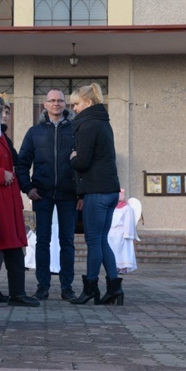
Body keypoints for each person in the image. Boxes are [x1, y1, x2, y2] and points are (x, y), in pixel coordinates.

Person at [16, 89, 78, 301]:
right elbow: (22, 163)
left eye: (60, 100)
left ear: (65, 104)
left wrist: (81, 193)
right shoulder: (34, 132)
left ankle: (67, 287)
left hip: (69, 194)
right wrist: (27, 187)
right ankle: (42, 286)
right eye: (52, 100)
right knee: (42, 241)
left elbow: (84, 162)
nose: (56, 104)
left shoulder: (75, 129)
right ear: (45, 104)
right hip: (41, 194)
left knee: (67, 241)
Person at [68, 83, 122, 306]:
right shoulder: (103, 122)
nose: (74, 109)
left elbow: (82, 162)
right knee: (102, 240)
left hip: (96, 192)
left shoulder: (88, 125)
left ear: (88, 103)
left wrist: (72, 157)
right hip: (109, 191)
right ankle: (114, 289)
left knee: (93, 241)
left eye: (76, 104)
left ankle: (91, 288)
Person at [0, 95, 39, 308]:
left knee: (14, 248)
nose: (6, 115)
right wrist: (0, 174)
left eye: (8, 112)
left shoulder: (0, 135)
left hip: (8, 199)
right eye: (3, 111)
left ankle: (17, 292)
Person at [107, 189, 137, 275]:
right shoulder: (112, 207)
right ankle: (114, 266)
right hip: (112, 233)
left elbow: (129, 221)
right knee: (113, 250)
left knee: (123, 251)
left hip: (122, 233)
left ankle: (123, 267)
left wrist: (127, 233)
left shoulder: (127, 208)